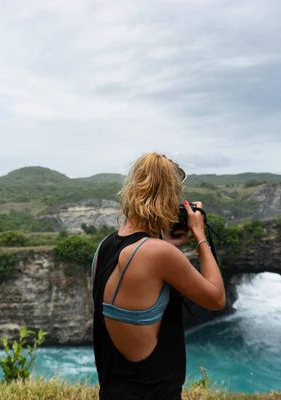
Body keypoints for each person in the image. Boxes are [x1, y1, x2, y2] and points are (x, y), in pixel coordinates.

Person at [91, 152, 226, 400]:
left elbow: (140, 278)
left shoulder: (105, 247)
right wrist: (200, 236)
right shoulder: (158, 253)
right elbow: (216, 299)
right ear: (168, 197)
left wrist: (166, 245)